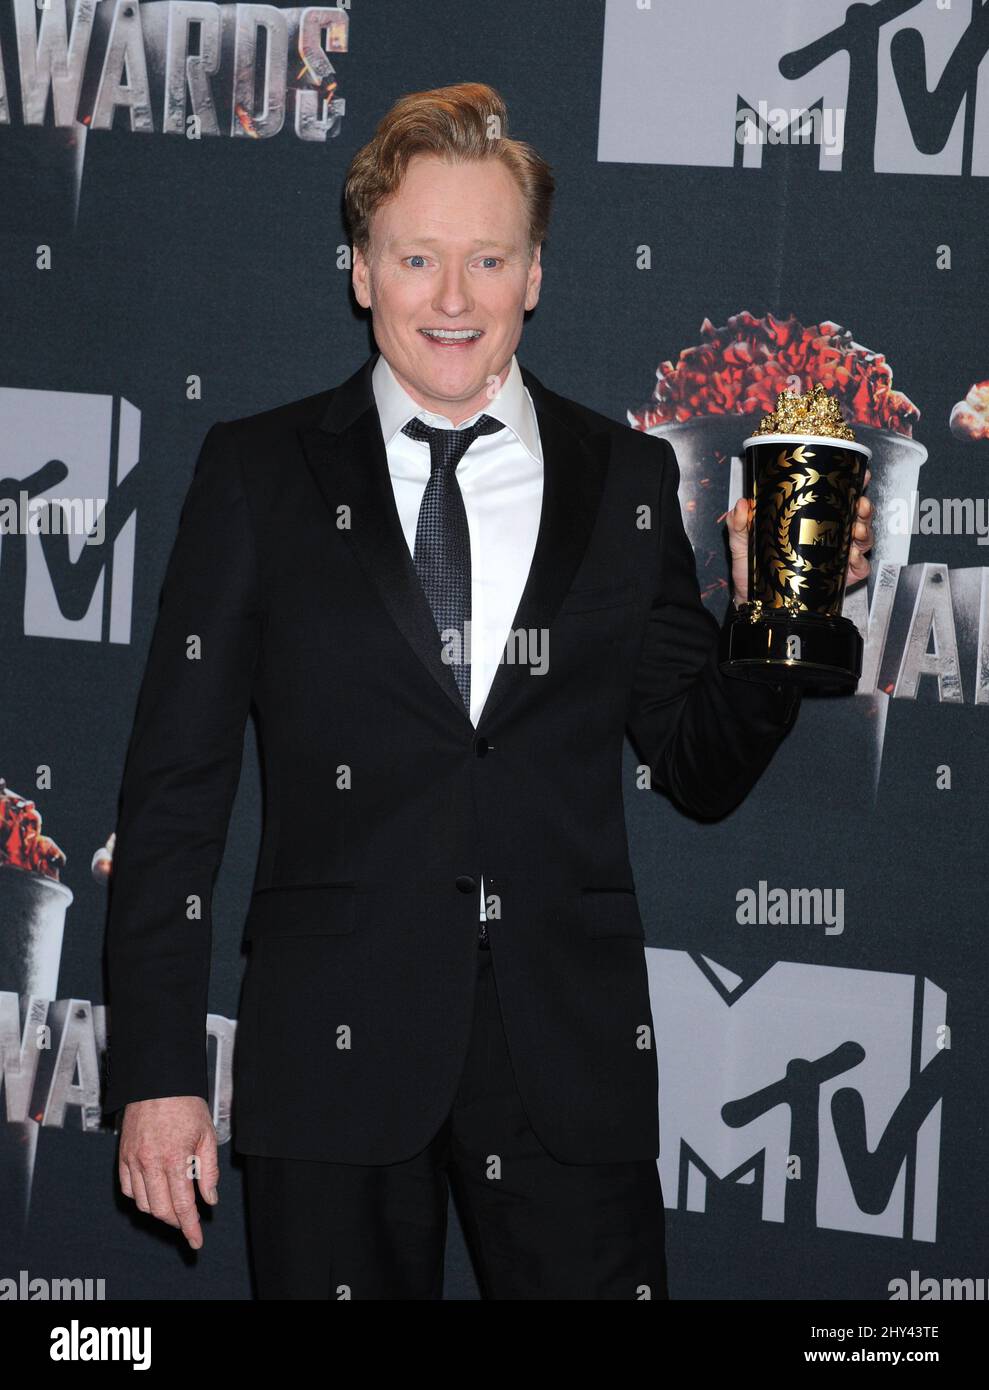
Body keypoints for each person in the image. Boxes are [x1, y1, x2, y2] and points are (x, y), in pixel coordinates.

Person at [102, 82, 874, 1300]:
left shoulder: (624, 479)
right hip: (330, 1061)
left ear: (534, 276)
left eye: (486, 258)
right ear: (361, 270)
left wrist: (778, 617)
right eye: (416, 257)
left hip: (566, 1061)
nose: (451, 298)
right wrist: (156, 1069)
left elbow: (696, 765)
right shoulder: (257, 475)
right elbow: (172, 798)